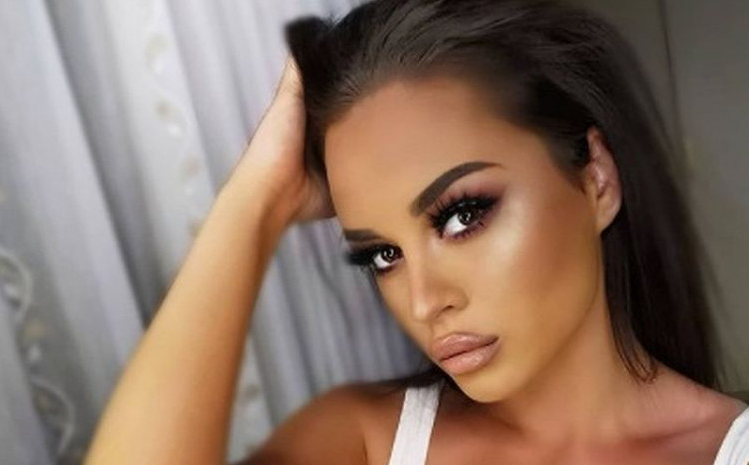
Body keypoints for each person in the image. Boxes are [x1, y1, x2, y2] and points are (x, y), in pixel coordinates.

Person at [85, 0, 749, 464]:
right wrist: (258, 200)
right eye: (382, 254)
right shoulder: (363, 440)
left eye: (462, 215)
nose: (425, 301)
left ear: (596, 179)